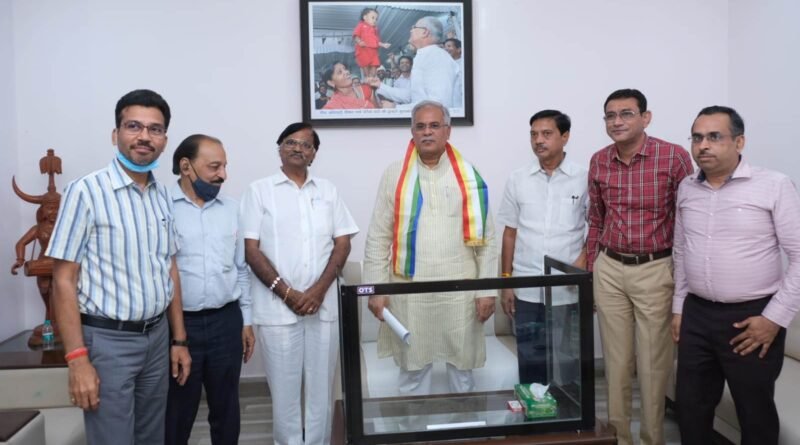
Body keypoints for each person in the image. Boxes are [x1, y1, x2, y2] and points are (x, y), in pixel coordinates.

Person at [46, 89, 192, 444]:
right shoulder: (85, 192)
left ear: (164, 140)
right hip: (108, 342)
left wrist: (178, 339)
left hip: (157, 338)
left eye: (155, 129)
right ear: (116, 134)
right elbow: (63, 280)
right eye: (133, 126)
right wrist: (77, 359)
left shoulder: (162, 194)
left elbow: (169, 267)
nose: (144, 136)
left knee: (151, 436)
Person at [672, 106, 800, 445]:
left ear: (739, 142)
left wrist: (773, 319)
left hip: (752, 318)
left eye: (714, 137)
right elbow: (682, 250)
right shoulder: (687, 187)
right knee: (691, 409)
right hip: (697, 315)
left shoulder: (774, 185)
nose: (703, 145)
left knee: (755, 414)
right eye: (697, 137)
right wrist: (679, 308)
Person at [363, 100, 497, 395]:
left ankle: (464, 424)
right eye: (420, 126)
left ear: (448, 131)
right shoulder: (395, 174)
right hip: (410, 292)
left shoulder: (469, 176)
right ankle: (413, 424)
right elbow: (378, 237)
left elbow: (487, 241)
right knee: (413, 372)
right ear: (412, 132)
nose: (427, 132)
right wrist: (376, 289)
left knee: (462, 374)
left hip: (460, 292)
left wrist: (487, 290)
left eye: (434, 125)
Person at [240, 122, 358, 445]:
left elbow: (343, 243)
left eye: (306, 145)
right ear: (279, 148)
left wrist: (318, 291)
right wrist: (287, 293)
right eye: (291, 142)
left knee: (321, 391)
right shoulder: (259, 191)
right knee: (284, 394)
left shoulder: (328, 191)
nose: (298, 148)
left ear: (314, 154)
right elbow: (251, 250)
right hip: (277, 310)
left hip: (323, 307)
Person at [587, 88, 693, 445]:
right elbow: (596, 219)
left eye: (626, 114)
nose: (617, 121)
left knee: (652, 365)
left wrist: (681, 277)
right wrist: (593, 267)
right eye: (610, 115)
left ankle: (651, 439)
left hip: (655, 268)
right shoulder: (599, 160)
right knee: (616, 364)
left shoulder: (673, 157)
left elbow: (687, 219)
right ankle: (619, 439)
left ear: (645, 118)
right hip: (610, 267)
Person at [165, 134, 254, 445]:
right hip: (179, 326)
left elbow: (241, 268)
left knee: (226, 410)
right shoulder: (161, 207)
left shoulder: (232, 209)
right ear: (186, 166)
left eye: (225, 166)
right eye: (214, 167)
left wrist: (246, 320)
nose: (223, 175)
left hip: (225, 321)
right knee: (177, 412)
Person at [498, 110, 587, 389]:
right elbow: (510, 233)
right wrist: (506, 282)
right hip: (526, 286)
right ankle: (534, 412)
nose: (538, 140)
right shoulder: (518, 178)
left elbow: (597, 229)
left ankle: (568, 412)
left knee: (569, 360)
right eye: (534, 134)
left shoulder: (584, 178)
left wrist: (582, 266)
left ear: (565, 136)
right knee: (530, 357)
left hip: (567, 287)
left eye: (546, 134)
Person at [367, 17, 460, 109]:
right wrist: (380, 85)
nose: (410, 30)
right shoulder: (424, 56)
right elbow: (412, 95)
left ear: (425, 32)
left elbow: (439, 104)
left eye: (414, 27)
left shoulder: (437, 57)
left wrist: (396, 108)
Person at [352, 7, 391, 79]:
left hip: (374, 53)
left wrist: (383, 45)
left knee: (374, 69)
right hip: (364, 51)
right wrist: (359, 41)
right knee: (366, 70)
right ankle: (367, 78)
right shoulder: (361, 25)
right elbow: (355, 35)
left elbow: (377, 41)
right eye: (373, 18)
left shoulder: (375, 29)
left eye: (376, 19)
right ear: (365, 17)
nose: (375, 20)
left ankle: (372, 78)